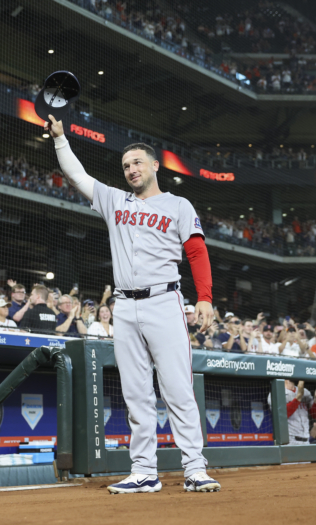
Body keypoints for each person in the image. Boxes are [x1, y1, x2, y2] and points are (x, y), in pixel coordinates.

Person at [46, 114, 219, 494]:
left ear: (155, 165)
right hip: (124, 308)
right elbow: (77, 176)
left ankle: (195, 468)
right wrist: (60, 138)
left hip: (164, 301)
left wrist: (205, 298)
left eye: (137, 162)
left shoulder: (178, 204)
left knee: (177, 388)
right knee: (136, 393)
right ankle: (144, 471)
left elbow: (196, 251)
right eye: (125, 165)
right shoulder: (113, 200)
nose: (130, 169)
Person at [267, 380, 316, 446]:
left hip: (306, 441)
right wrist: (298, 397)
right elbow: (282, 415)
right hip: (289, 441)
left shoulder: (305, 391)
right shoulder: (276, 392)